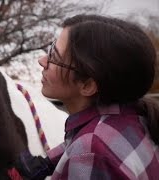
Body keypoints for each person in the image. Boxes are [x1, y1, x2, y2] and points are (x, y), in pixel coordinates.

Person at [13, 14, 159, 179]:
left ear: (87, 85)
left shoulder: (92, 152)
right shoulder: (133, 116)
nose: (42, 60)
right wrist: (47, 164)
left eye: (54, 56)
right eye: (51, 48)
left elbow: (91, 150)